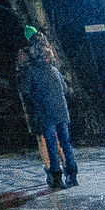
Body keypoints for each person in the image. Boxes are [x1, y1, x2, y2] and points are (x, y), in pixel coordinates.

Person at [19, 29, 77, 190]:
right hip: (61, 111)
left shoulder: (31, 71)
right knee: (65, 143)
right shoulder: (54, 70)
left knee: (51, 144)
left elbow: (26, 92)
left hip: (46, 112)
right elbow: (64, 89)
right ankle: (72, 175)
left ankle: (56, 176)